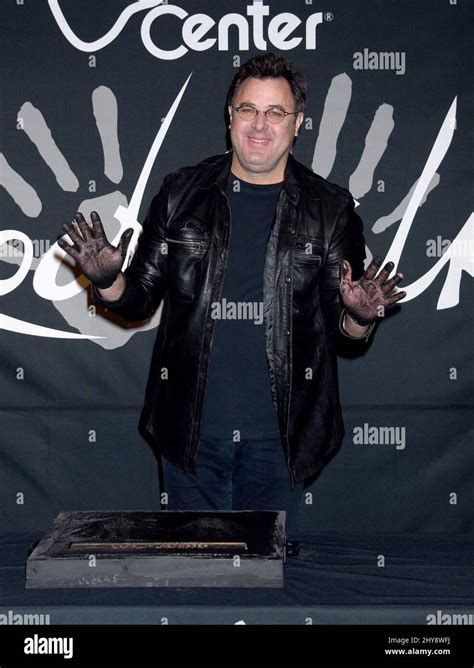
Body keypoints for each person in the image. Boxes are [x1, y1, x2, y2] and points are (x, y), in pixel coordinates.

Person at [58, 53, 405, 542]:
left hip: (281, 440)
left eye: (275, 112)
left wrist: (359, 317)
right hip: (191, 434)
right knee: (192, 585)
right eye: (248, 109)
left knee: (270, 591)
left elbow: (345, 336)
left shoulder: (330, 210)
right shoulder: (181, 193)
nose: (260, 125)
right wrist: (107, 279)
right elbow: (136, 301)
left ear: (298, 123)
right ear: (230, 116)